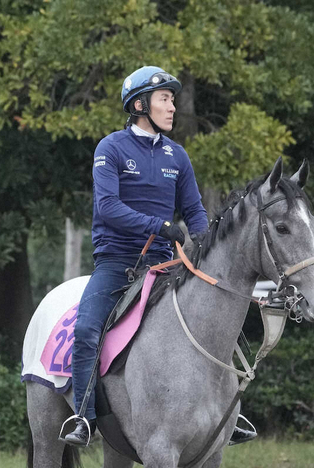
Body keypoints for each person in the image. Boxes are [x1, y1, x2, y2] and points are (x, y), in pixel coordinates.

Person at [64, 65, 256, 447]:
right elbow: (107, 208)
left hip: (165, 265)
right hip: (118, 263)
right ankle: (82, 418)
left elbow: (196, 211)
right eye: (165, 99)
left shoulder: (177, 156)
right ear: (140, 104)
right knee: (86, 329)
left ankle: (227, 413)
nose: (172, 107)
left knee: (216, 318)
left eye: (171, 100)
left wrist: (204, 245)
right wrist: (159, 226)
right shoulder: (111, 148)